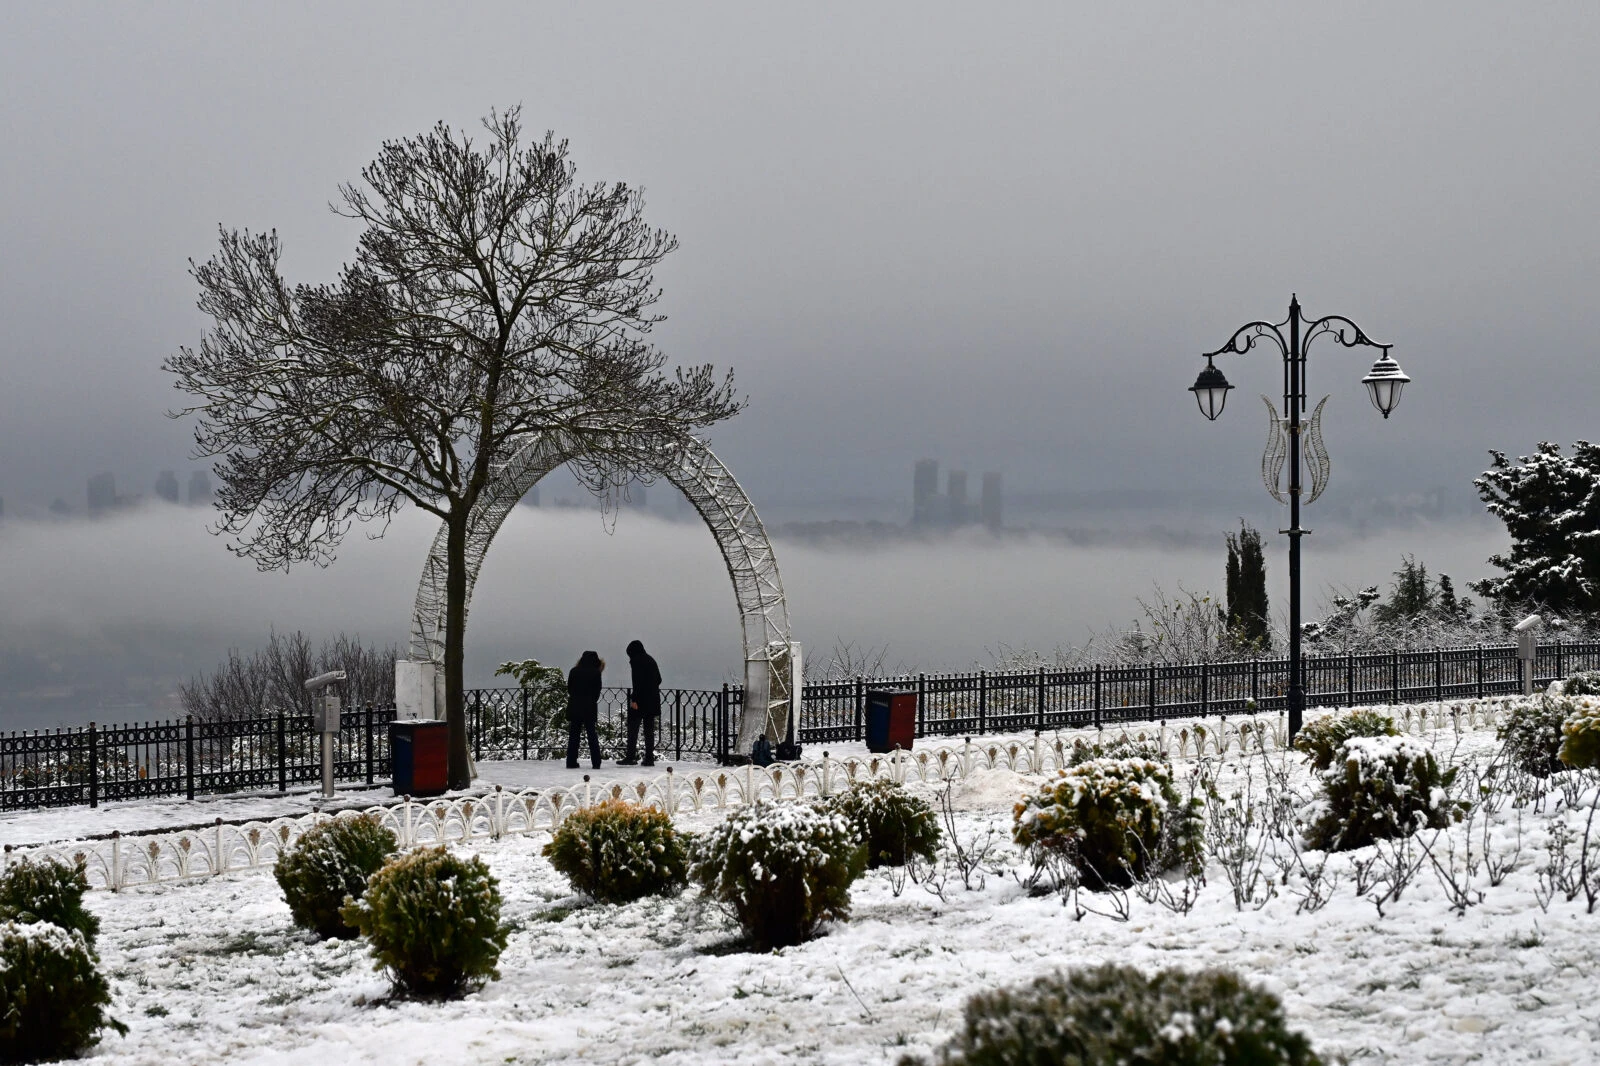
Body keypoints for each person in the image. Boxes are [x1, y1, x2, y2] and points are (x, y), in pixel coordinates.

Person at [619, 639, 662, 766]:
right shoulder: (650, 659)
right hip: (653, 699)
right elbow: (659, 679)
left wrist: (635, 700)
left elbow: (637, 682)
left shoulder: (636, 661)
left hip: (640, 701)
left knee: (633, 729)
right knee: (649, 731)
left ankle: (630, 757)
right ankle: (649, 758)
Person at [565, 650, 604, 770]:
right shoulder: (596, 673)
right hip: (589, 707)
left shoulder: (574, 671)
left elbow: (570, 689)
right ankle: (596, 762)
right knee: (592, 735)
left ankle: (571, 761)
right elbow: (597, 691)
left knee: (574, 735)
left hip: (575, 706)